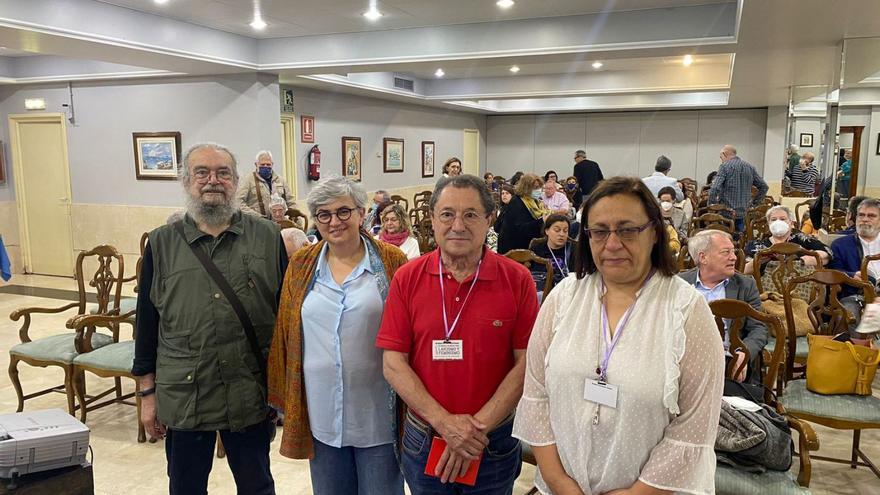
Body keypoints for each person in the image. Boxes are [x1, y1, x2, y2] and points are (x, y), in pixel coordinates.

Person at [512, 176, 724, 495]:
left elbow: (694, 427)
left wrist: (636, 493)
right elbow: (537, 396)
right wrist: (558, 481)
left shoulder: (687, 310)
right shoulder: (564, 298)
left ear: (654, 232)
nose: (612, 244)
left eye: (627, 230)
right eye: (599, 232)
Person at [132, 143, 287, 495]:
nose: (212, 181)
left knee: (257, 486)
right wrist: (148, 395)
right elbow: (146, 326)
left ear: (236, 181)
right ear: (187, 181)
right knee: (186, 487)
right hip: (186, 393)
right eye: (202, 172)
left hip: (249, 391)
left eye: (223, 173)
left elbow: (286, 319)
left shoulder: (266, 236)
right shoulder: (161, 243)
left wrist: (288, 392)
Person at [377, 174, 540, 494]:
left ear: (490, 219)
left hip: (492, 442)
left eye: (470, 214)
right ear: (433, 219)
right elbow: (393, 363)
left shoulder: (517, 279)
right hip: (425, 438)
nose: (458, 225)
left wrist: (472, 430)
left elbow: (528, 364)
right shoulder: (407, 278)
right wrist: (445, 424)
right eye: (447, 214)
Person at [267, 175, 408, 495]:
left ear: (362, 213)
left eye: (344, 211)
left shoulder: (391, 261)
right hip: (321, 414)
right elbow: (285, 329)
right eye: (323, 214)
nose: (335, 221)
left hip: (378, 415)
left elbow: (410, 332)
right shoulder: (302, 264)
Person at [680, 230, 768, 385]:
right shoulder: (679, 284)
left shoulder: (745, 285)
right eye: (725, 252)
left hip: (730, 363)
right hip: (685, 364)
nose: (733, 257)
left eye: (733, 251)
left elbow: (759, 328)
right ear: (703, 257)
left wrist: (743, 353)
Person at [828, 199, 880, 334]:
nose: (865, 219)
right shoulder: (840, 244)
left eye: (871, 216)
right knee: (847, 315)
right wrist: (851, 275)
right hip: (854, 295)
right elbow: (833, 271)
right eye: (861, 215)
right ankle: (857, 352)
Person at [743, 205, 831, 275]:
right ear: (768, 224)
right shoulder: (757, 245)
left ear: (791, 223)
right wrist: (758, 261)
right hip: (766, 292)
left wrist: (803, 260)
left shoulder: (802, 239)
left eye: (782, 219)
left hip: (799, 289)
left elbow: (826, 254)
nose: (778, 222)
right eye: (773, 220)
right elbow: (743, 270)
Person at [708, 145, 768, 232]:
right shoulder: (750, 167)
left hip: (726, 212)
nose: (721, 160)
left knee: (726, 237)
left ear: (725, 154)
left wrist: (712, 205)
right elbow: (764, 187)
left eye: (721, 158)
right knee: (740, 238)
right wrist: (754, 204)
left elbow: (714, 188)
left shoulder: (724, 166)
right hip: (744, 211)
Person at [237, 150, 297, 219]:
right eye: (262, 165)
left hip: (278, 223)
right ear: (256, 165)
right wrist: (256, 216)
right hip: (257, 224)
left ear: (272, 164)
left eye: (268, 164)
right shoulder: (247, 180)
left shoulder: (280, 180)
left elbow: (291, 201)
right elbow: (238, 203)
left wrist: (295, 218)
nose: (265, 167)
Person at [496, 174, 547, 254]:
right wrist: (542, 221)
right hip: (513, 247)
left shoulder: (534, 201)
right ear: (526, 188)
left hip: (526, 242)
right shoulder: (516, 202)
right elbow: (521, 228)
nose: (539, 190)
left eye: (540, 187)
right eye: (536, 188)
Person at [529, 214, 575, 290]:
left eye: (565, 231)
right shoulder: (537, 249)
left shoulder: (574, 249)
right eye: (557, 230)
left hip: (568, 291)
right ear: (547, 231)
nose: (561, 234)